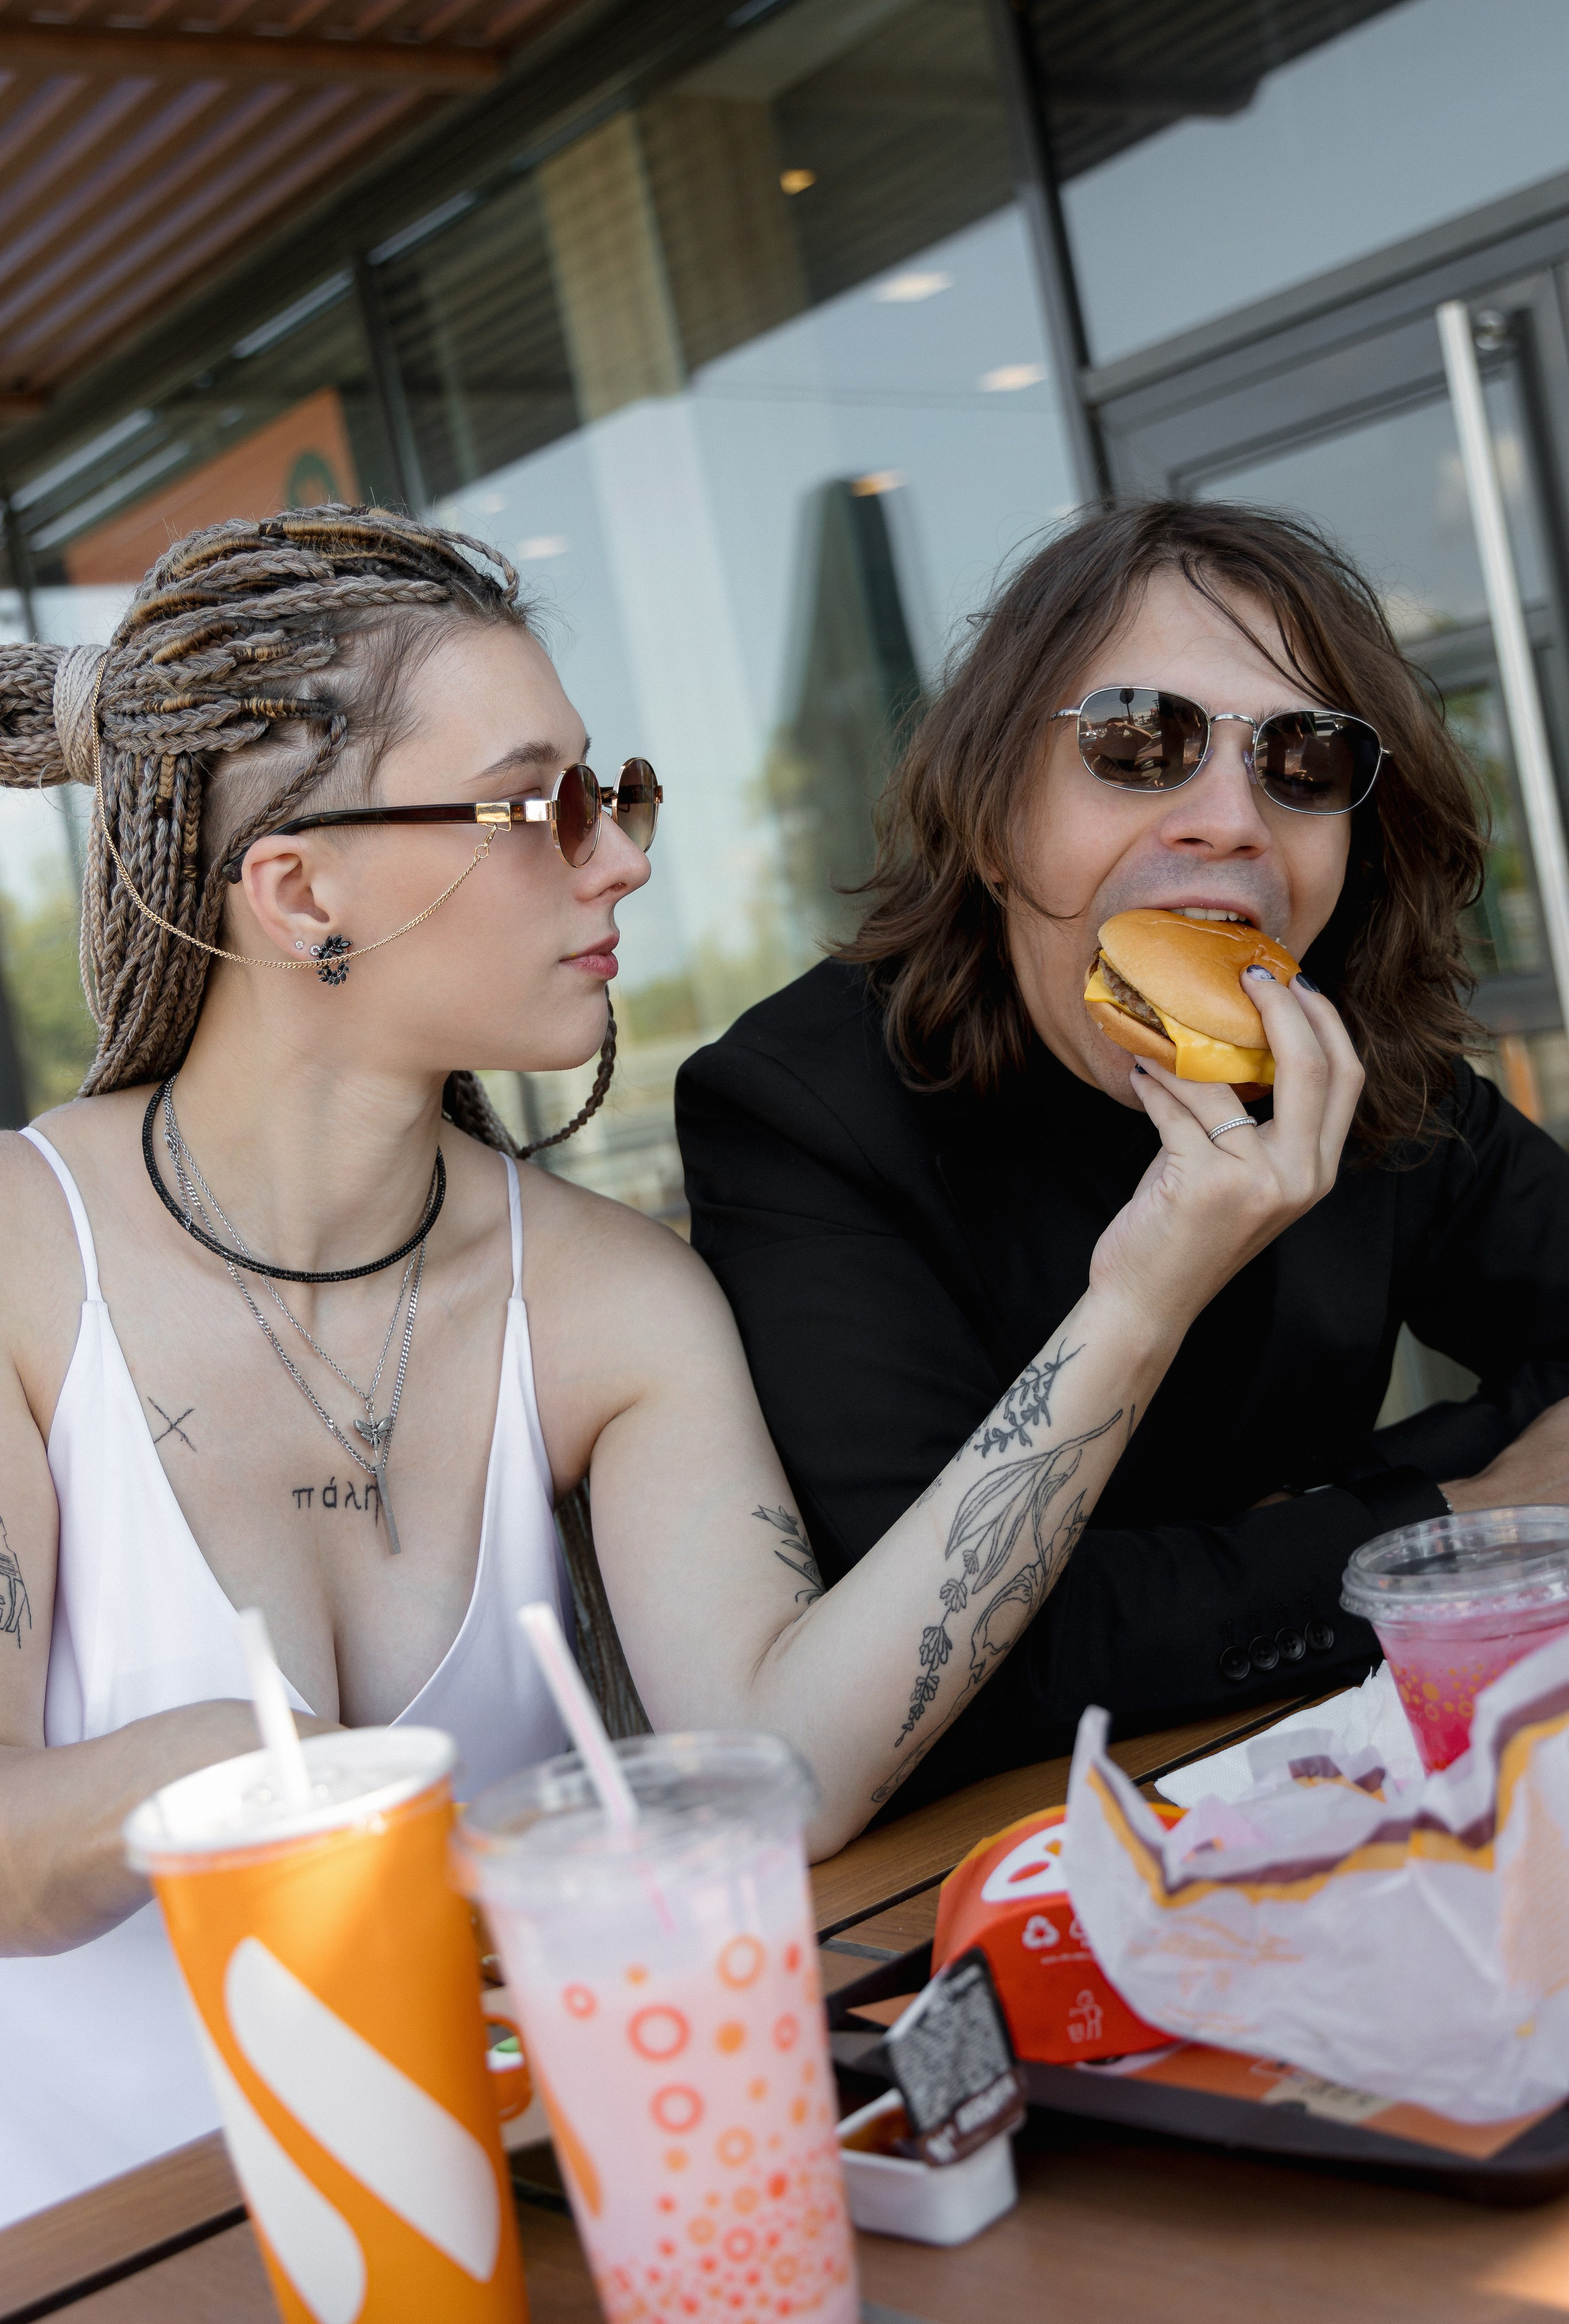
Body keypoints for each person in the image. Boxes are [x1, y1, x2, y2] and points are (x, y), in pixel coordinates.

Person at [0, 503, 1376, 2223]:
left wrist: (1143, 1294)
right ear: (300, 892)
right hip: (93, 2261)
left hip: (513, 2237)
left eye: (614, 791)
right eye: (542, 809)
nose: (623, 862)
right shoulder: (24, 1263)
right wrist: (220, 1768)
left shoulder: (610, 1298)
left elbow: (779, 1771)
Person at [677, 500, 1569, 1819]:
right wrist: (1439, 1518)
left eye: (1303, 759)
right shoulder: (802, 1113)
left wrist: (1326, 1518)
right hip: (994, 1861)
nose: (1231, 818)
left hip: (1346, 1784)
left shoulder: (1350, 1057)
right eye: (1140, 744)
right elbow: (946, 1663)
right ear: (992, 814)